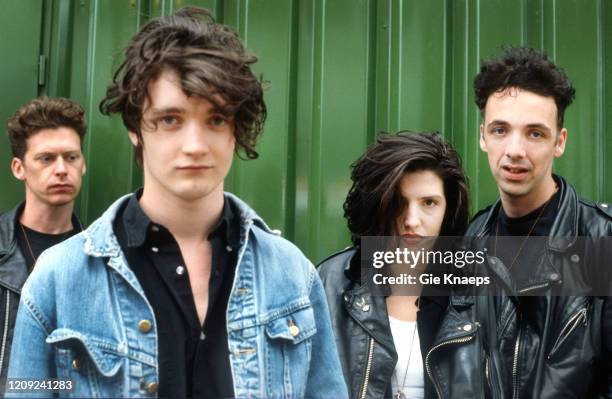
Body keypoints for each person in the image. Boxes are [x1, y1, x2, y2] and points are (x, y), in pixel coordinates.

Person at [6, 7, 346, 398]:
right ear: (135, 128)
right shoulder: (56, 279)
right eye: (170, 119)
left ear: (236, 131)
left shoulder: (293, 276)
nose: (195, 145)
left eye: (216, 119)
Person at [427, 47, 612, 398]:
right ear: (483, 136)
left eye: (535, 134)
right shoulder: (469, 244)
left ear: (560, 141)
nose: (514, 150)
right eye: (500, 130)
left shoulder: (602, 240)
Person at [318, 132, 470, 398]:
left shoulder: (474, 292)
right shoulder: (330, 282)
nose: (412, 220)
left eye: (429, 203)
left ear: (449, 209)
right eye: (398, 202)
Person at [0, 97, 86, 389]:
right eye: (46, 158)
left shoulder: (102, 255)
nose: (62, 169)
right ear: (18, 168)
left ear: (83, 165)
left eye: (71, 157)